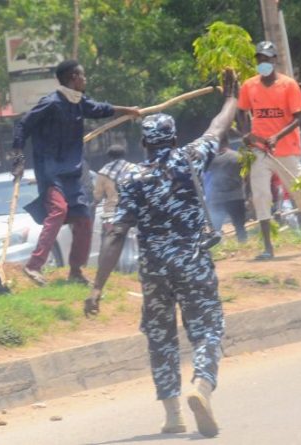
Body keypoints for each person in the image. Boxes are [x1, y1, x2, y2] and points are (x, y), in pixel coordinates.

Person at [85, 69, 238, 438]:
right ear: (172, 138)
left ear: (145, 143)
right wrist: (232, 98)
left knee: (161, 337)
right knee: (207, 330)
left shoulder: (133, 179)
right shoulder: (190, 158)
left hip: (154, 270)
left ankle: (172, 415)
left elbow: (115, 233)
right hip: (192, 260)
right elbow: (217, 129)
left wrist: (97, 288)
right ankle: (201, 385)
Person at [11, 59, 140, 286]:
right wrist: (19, 159)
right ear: (73, 77)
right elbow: (23, 125)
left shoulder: (79, 103)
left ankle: (76, 271)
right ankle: (33, 265)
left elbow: (101, 109)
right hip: (50, 171)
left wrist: (127, 111)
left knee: (83, 219)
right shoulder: (50, 103)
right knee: (58, 211)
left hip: (72, 171)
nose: (85, 79)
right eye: (82, 75)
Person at [238, 40, 301, 259]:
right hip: (259, 150)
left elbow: (298, 118)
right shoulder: (249, 86)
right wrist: (247, 134)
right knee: (261, 195)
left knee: (300, 192)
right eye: (259, 59)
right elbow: (241, 111)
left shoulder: (289, 85)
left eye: (266, 59)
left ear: (274, 60)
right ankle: (267, 247)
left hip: (287, 149)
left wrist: (276, 136)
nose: (263, 63)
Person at [204, 134, 247, 242]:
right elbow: (246, 177)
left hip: (217, 198)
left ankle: (216, 247)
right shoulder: (238, 156)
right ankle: (244, 245)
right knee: (240, 226)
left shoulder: (212, 160)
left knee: (215, 228)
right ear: (227, 142)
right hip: (236, 196)